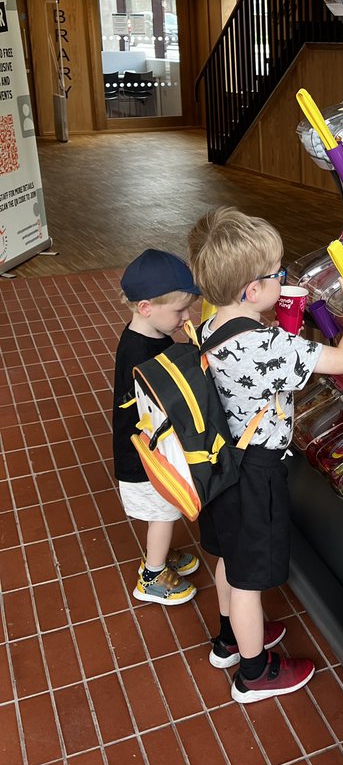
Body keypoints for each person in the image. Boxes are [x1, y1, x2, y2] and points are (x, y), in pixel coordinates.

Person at [190, 207, 343, 704]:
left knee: (229, 553)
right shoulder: (268, 344)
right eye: (277, 275)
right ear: (252, 290)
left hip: (221, 465)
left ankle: (230, 638)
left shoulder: (211, 326)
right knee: (250, 576)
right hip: (256, 472)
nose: (282, 280)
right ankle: (254, 671)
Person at [113, 249, 201, 605]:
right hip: (146, 460)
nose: (186, 317)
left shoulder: (146, 336)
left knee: (163, 513)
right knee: (164, 513)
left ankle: (159, 553)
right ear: (146, 307)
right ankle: (152, 575)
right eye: (179, 311)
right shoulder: (142, 355)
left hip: (146, 451)